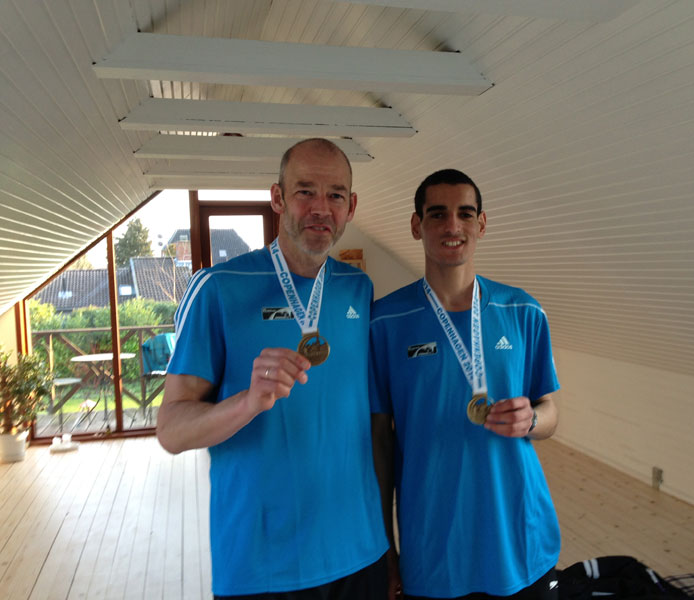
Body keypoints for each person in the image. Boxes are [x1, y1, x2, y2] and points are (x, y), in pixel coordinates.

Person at [157, 138, 388, 599]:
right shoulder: (217, 288)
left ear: (351, 206)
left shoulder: (358, 289)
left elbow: (374, 423)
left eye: (336, 195)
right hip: (261, 565)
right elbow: (171, 430)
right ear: (278, 197)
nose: (321, 208)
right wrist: (245, 403)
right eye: (305, 191)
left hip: (360, 554)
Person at [370, 169, 561, 600]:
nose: (452, 226)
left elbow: (550, 414)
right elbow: (379, 445)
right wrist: (386, 548)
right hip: (434, 552)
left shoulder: (524, 311)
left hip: (523, 544)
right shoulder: (384, 322)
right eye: (437, 215)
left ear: (482, 224)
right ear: (417, 226)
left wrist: (532, 419)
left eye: (465, 214)